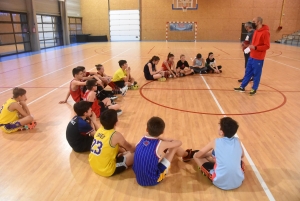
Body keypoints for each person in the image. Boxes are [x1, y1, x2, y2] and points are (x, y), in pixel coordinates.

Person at [133, 116, 198, 186]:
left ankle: (185, 155)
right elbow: (179, 143)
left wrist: (166, 141)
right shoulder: (161, 144)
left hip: (138, 178)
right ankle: (186, 155)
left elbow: (155, 137)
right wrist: (168, 141)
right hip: (153, 179)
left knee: (160, 151)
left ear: (146, 129)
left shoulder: (142, 138)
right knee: (174, 147)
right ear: (162, 132)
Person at [193, 117, 245, 190]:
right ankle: (213, 158)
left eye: (219, 125)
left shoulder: (215, 142)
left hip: (219, 182)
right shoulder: (237, 140)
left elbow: (198, 155)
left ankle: (208, 169)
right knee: (240, 162)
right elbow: (242, 155)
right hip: (238, 182)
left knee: (195, 156)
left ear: (221, 132)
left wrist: (208, 154)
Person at [89, 109, 135, 177]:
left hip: (93, 164)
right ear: (116, 122)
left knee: (118, 148)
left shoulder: (100, 130)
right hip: (106, 170)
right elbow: (131, 149)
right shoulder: (116, 135)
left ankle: (122, 155)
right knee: (136, 154)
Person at [234, 17, 270, 95]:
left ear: (259, 22)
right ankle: (242, 87)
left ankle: (254, 89)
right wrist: (246, 45)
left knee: (256, 74)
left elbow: (267, 46)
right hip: (252, 56)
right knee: (248, 72)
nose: (252, 23)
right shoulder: (256, 31)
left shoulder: (265, 32)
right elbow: (252, 43)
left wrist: (256, 47)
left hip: (258, 57)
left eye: (254, 21)